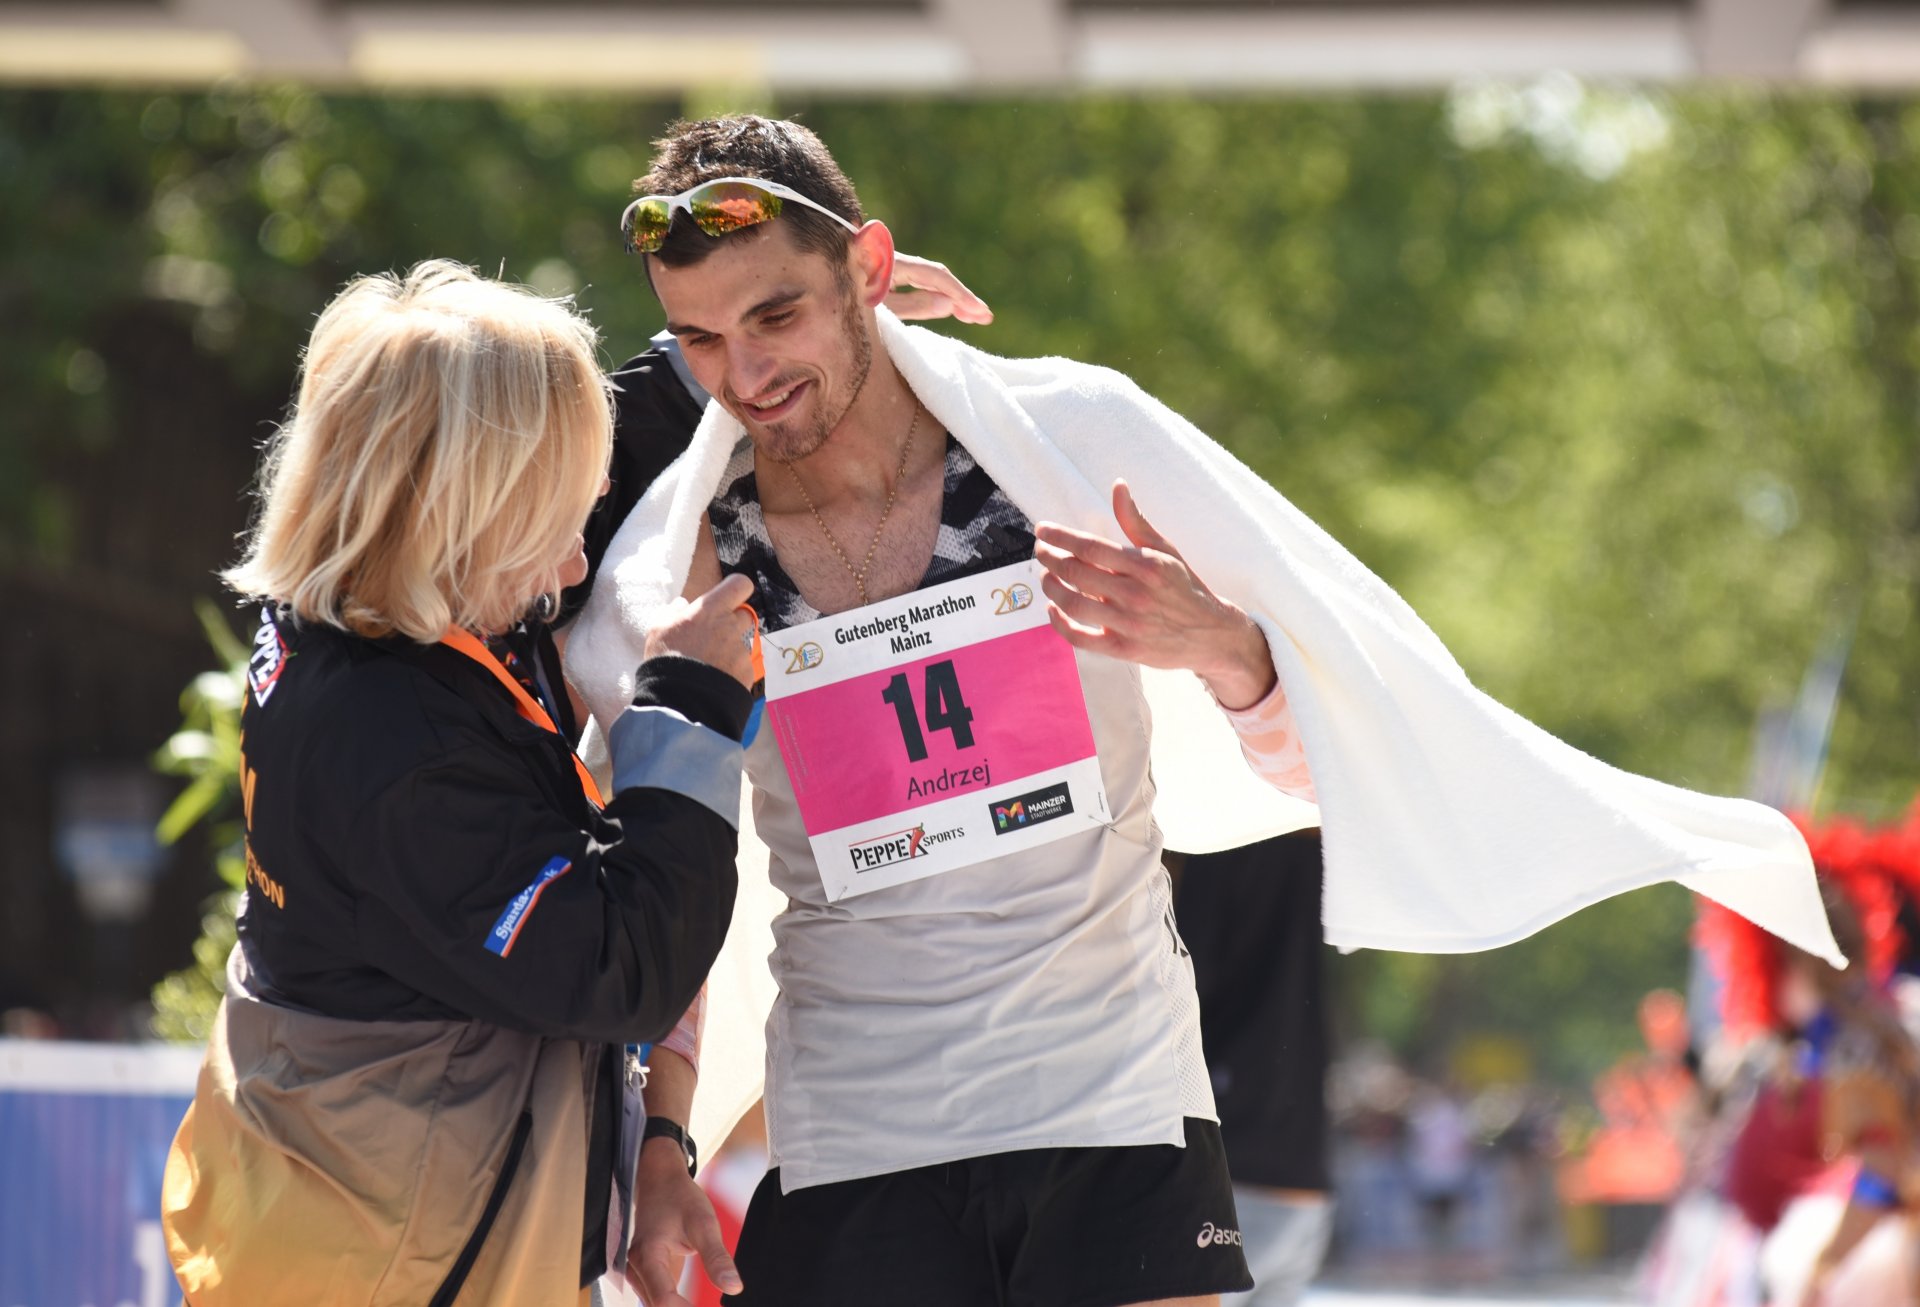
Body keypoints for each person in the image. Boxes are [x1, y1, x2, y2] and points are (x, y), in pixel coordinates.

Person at [563, 115, 1840, 1307]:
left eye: (776, 313)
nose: (747, 372)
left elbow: (1317, 756)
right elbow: (673, 865)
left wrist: (1232, 650)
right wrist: (664, 1140)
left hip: (1115, 1105)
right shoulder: (674, 568)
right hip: (858, 1133)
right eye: (704, 340)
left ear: (871, 269)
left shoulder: (1073, 446)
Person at [159, 261, 760, 1307]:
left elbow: (553, 450)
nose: (576, 566)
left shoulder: (372, 610)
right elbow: (624, 963)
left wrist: (730, 347)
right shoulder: (386, 745)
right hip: (382, 1277)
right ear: (459, 513)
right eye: (552, 522)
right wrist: (688, 705)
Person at [1172, 832, 1335, 1307]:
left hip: (1230, 1169)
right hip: (1306, 1179)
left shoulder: (1219, 841)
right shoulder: (1321, 850)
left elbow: (1185, 975)